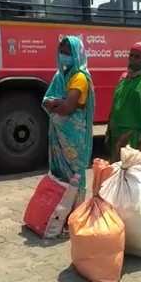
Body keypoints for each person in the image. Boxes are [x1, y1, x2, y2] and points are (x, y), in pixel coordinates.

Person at [43, 36, 95, 206]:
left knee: (74, 173)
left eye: (68, 52)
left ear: (77, 54)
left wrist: (56, 103)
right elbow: (46, 101)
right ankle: (59, 211)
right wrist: (58, 102)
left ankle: (75, 211)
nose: (63, 55)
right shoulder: (60, 76)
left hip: (73, 136)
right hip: (59, 134)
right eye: (61, 52)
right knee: (59, 172)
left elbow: (68, 108)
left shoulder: (80, 77)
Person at [106, 42, 141, 174]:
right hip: (117, 137)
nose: (132, 59)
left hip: (135, 140)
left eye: (137, 57)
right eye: (131, 55)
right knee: (116, 181)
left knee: (135, 183)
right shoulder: (124, 78)